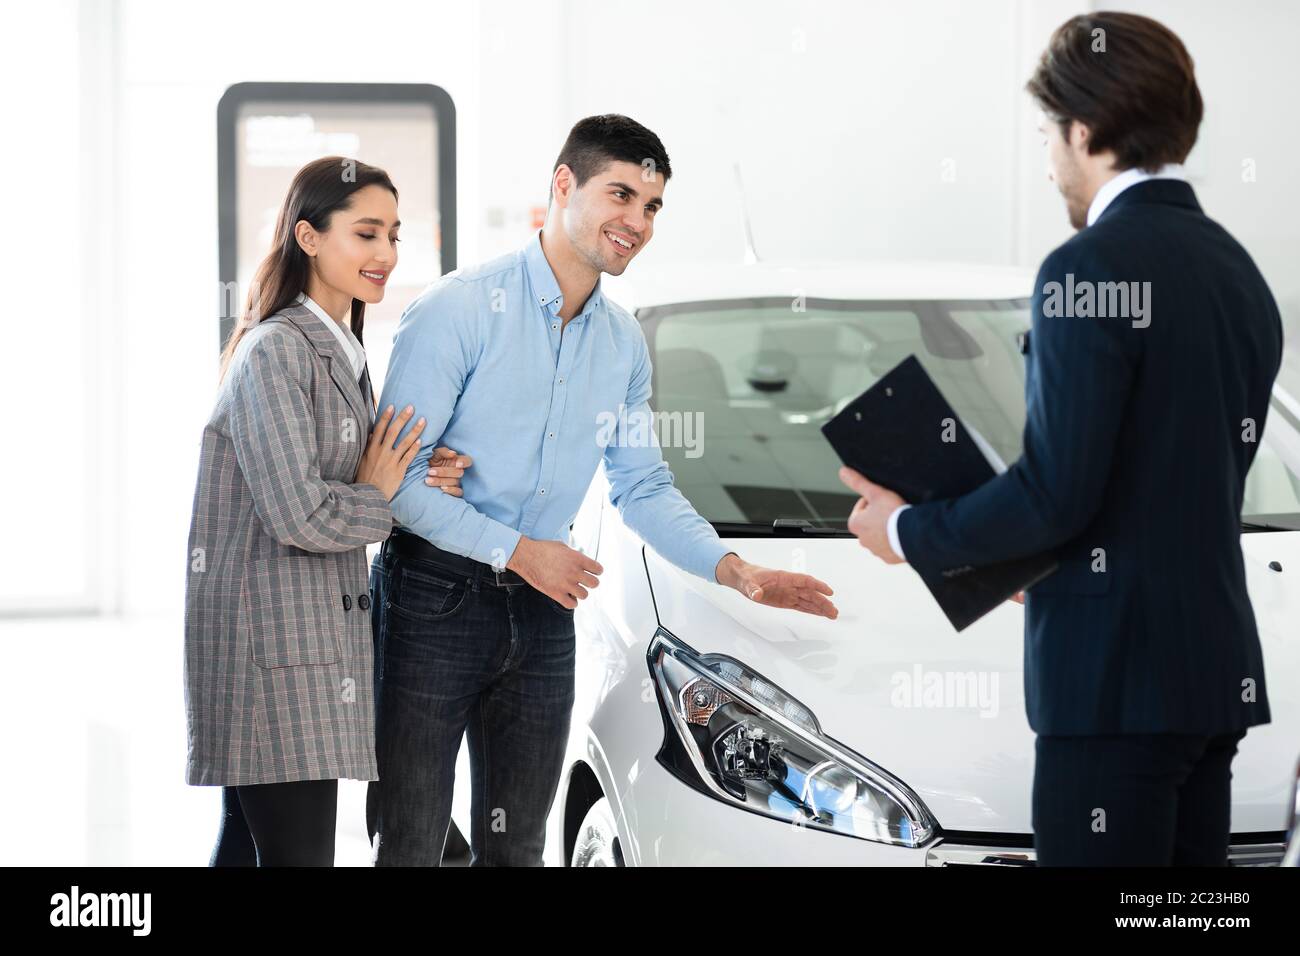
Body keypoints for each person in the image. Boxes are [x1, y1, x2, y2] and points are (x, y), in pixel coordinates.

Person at [840, 12, 1281, 866]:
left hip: (1112, 686)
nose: (1047, 162)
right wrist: (1047, 563)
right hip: (1210, 674)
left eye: (1048, 135)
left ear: (1083, 132)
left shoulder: (1086, 269)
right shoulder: (1238, 272)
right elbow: (1169, 485)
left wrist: (905, 533)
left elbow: (1057, 491)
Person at [368, 114, 839, 866]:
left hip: (544, 610)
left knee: (518, 845)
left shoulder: (622, 343)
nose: (636, 221)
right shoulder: (460, 309)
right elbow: (393, 490)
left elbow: (643, 485)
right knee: (412, 841)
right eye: (620, 194)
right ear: (564, 185)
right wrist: (521, 550)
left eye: (651, 206)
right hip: (434, 596)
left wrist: (737, 571)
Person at [185, 156, 465, 866]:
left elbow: (350, 482)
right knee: (289, 852)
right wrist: (381, 494)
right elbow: (302, 515)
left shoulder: (342, 352)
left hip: (300, 653)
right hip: (270, 659)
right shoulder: (277, 351)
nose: (386, 254)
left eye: (394, 236)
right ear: (308, 237)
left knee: (250, 846)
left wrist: (413, 476)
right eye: (366, 234)